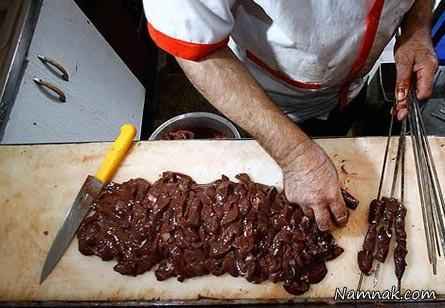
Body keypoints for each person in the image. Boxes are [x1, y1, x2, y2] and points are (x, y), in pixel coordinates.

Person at [142, 1, 438, 231]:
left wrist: (416, 28)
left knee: (342, 128)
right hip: (268, 97)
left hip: (351, 86)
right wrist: (294, 154)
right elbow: (193, 46)